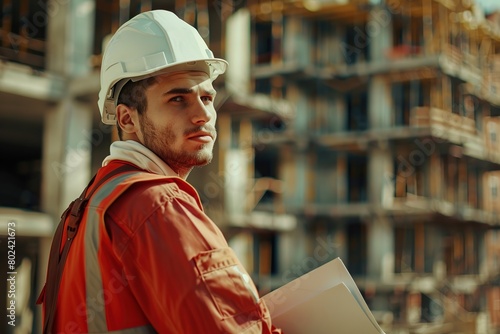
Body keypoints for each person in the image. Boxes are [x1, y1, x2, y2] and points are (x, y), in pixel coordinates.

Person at [37, 10, 282, 334]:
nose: (203, 115)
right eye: (178, 98)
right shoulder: (156, 205)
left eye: (207, 97)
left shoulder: (89, 206)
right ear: (126, 119)